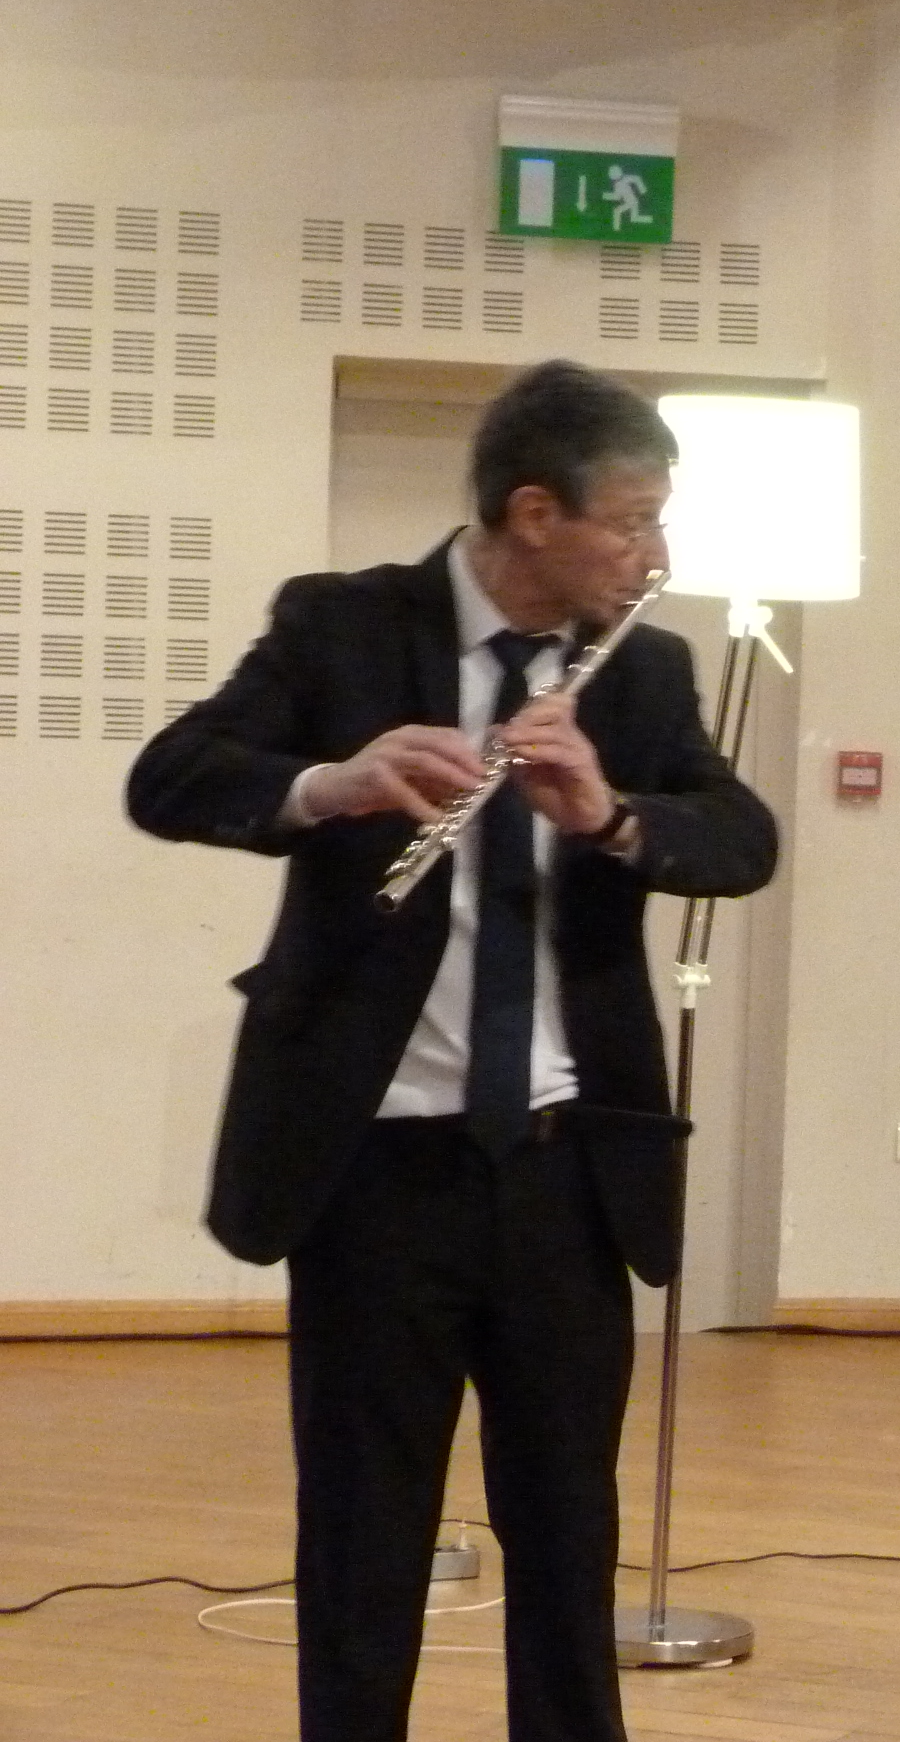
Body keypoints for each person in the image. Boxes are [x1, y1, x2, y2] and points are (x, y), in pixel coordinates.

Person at [126, 360, 780, 1742]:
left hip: (565, 1169)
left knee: (567, 1528)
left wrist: (612, 817)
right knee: (363, 1531)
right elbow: (171, 777)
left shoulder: (645, 669)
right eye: (632, 521)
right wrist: (329, 785)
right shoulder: (342, 627)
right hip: (374, 1166)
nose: (653, 554)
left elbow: (741, 839)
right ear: (534, 514)